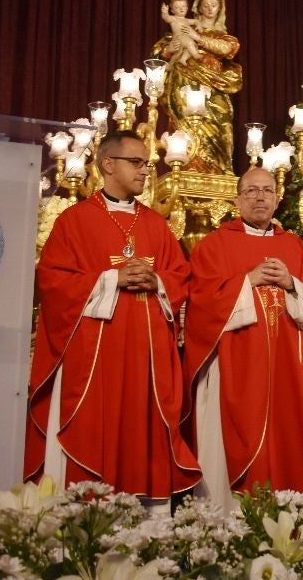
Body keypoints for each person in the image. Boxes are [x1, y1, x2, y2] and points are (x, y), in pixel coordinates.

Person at [25, 130, 200, 509]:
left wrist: (157, 280)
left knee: (145, 440)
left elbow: (181, 277)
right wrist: (111, 278)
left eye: (147, 165)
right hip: (96, 363)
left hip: (148, 364)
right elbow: (52, 282)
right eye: (136, 163)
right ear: (108, 165)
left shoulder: (156, 224)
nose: (145, 172)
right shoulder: (76, 221)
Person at [184, 167, 303, 504]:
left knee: (288, 443)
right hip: (235, 369)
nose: (260, 197)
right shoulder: (215, 245)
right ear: (237, 199)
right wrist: (247, 280)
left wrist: (291, 283)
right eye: (251, 190)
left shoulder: (292, 246)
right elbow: (201, 302)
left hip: (287, 376)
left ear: (277, 200)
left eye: (267, 190)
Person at [152, 0, 243, 175]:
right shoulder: (182, 28)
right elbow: (156, 57)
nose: (210, 9)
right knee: (185, 125)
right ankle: (187, 167)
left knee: (221, 124)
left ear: (220, 9)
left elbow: (227, 49)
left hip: (213, 85)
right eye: (206, 5)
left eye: (214, 5)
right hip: (183, 83)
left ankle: (219, 170)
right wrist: (168, 49)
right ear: (198, 8)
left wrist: (198, 38)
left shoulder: (221, 36)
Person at [160, 0, 201, 65]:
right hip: (179, 37)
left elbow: (195, 21)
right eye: (177, 8)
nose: (181, 9)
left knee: (189, 48)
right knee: (190, 43)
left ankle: (182, 59)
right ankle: (196, 55)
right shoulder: (173, 19)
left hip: (186, 38)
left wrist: (199, 25)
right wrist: (165, 13)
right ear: (172, 10)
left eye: (183, 6)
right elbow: (166, 18)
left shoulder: (187, 20)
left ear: (187, 8)